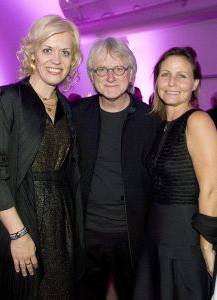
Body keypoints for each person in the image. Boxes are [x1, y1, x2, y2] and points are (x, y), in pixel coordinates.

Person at [0, 14, 83, 300]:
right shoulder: (8, 99)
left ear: (73, 60)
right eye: (47, 49)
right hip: (22, 217)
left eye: (65, 52)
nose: (56, 59)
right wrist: (18, 234)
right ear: (32, 54)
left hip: (61, 225)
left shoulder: (66, 107)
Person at [71, 37, 159, 300]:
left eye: (118, 68)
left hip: (133, 235)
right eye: (101, 69)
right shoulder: (75, 115)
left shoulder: (151, 120)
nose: (110, 76)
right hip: (86, 233)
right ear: (92, 76)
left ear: (130, 73)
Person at [133, 47, 217, 300]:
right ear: (156, 80)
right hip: (156, 237)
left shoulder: (198, 121)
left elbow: (211, 187)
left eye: (182, 76)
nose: (172, 82)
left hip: (186, 241)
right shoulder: (160, 124)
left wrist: (207, 244)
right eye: (165, 74)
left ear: (195, 83)